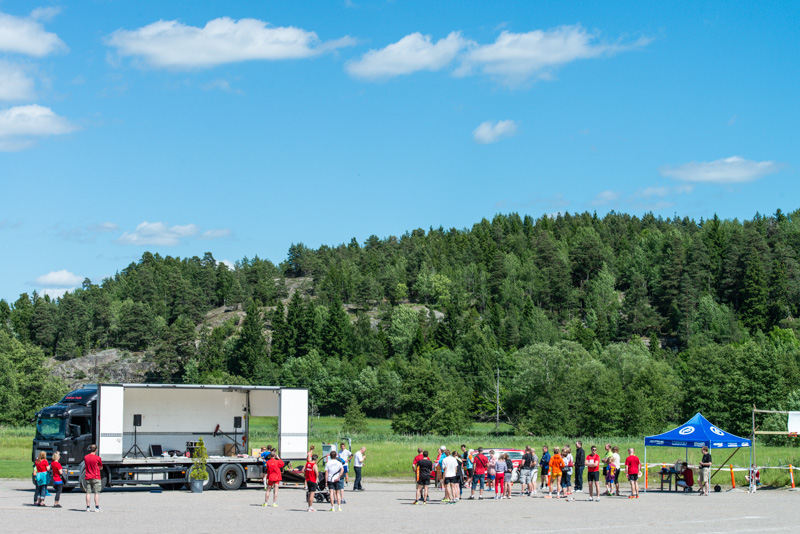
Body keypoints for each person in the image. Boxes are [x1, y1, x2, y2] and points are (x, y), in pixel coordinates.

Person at [84, 444, 103, 512]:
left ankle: (88, 507)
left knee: (88, 492)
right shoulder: (98, 458)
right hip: (96, 476)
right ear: (96, 450)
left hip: (88, 476)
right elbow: (101, 467)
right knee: (96, 492)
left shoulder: (86, 457)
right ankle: (97, 507)